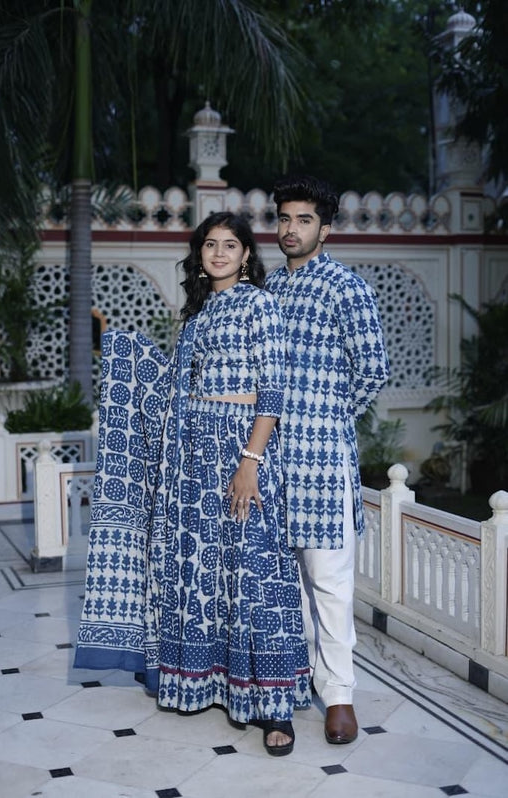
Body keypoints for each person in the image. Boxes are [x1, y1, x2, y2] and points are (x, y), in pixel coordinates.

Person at [74, 211, 311, 756]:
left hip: (242, 451)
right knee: (204, 572)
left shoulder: (259, 305)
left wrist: (250, 461)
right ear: (199, 255)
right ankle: (207, 683)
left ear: (247, 255)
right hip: (191, 460)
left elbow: (273, 392)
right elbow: (175, 389)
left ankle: (274, 706)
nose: (220, 253)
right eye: (210, 244)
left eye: (230, 244)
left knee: (255, 572)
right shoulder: (197, 315)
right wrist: (126, 354)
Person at [266, 175, 389, 745]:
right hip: (268, 460)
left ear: (326, 228)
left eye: (304, 220)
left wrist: (328, 419)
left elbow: (373, 370)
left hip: (321, 461)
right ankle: (293, 679)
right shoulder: (267, 288)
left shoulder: (346, 288)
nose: (291, 229)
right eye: (284, 218)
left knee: (330, 582)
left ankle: (339, 696)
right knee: (284, 580)